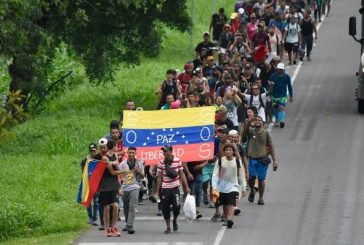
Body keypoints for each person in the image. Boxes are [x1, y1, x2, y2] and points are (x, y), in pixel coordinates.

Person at [156, 145, 190, 234]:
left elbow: (181, 174)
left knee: (177, 206)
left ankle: (174, 219)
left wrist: (186, 187)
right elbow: (159, 177)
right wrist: (157, 191)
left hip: (175, 188)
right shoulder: (161, 162)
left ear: (171, 151)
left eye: (166, 151)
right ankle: (168, 227)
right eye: (163, 151)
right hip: (165, 188)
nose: (165, 153)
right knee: (165, 208)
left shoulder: (177, 160)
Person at [245, 116, 278, 205]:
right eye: (256, 120)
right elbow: (246, 129)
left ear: (262, 123)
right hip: (252, 159)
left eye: (260, 120)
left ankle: (261, 198)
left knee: (261, 180)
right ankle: (252, 190)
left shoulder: (266, 133)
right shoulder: (251, 131)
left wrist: (275, 161)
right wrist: (249, 122)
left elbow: (271, 146)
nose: (258, 121)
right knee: (251, 178)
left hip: (263, 160)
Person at [212, 143, 245, 228]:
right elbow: (215, 174)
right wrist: (214, 187)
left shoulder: (237, 161)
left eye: (230, 150)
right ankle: (227, 219)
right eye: (226, 150)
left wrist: (243, 187)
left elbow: (241, 175)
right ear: (224, 152)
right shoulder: (220, 161)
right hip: (221, 187)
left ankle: (230, 219)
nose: (228, 151)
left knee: (231, 203)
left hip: (233, 186)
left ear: (233, 152)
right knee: (225, 204)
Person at [98, 139, 123, 237]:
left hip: (114, 184)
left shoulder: (115, 155)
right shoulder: (105, 158)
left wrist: (120, 185)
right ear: (113, 147)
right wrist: (123, 172)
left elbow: (117, 167)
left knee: (116, 206)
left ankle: (114, 227)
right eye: (116, 146)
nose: (117, 148)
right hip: (106, 185)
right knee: (107, 207)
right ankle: (107, 228)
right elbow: (112, 172)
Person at [119, 147, 145, 234]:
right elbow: (118, 176)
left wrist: (138, 171)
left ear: (135, 153)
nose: (131, 154)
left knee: (132, 206)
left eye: (133, 153)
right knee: (125, 207)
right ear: (127, 153)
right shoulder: (122, 164)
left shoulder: (139, 163)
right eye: (129, 152)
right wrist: (119, 188)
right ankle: (127, 223)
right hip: (125, 187)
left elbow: (143, 176)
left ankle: (130, 225)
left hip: (135, 186)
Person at [269, 63, 293, 128]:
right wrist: (270, 88)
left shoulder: (286, 77)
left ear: (283, 70)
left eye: (281, 69)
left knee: (281, 107)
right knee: (276, 109)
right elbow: (269, 86)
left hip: (283, 95)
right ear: (277, 69)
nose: (280, 70)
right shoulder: (272, 76)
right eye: (279, 69)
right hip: (274, 96)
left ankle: (282, 121)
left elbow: (289, 86)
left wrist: (291, 96)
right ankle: (277, 120)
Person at [80, 143, 99, 226]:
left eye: (94, 151)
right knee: (88, 201)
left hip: (96, 183)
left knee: (96, 202)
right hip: (87, 182)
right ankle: (90, 217)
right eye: (91, 151)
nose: (93, 152)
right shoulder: (85, 160)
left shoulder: (99, 159)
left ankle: (95, 218)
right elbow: (83, 172)